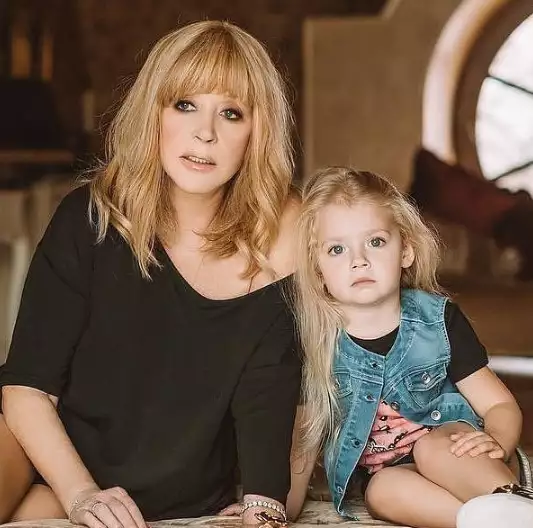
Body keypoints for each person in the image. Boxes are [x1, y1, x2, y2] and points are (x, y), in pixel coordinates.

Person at [0, 20, 302, 527]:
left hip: (169, 492)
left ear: (258, 133)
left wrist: (265, 503)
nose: (205, 132)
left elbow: (275, 395)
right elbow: (27, 388)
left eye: (231, 113)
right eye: (184, 104)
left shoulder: (286, 242)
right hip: (46, 457)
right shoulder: (89, 217)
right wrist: (81, 494)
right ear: (153, 112)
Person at [289, 166, 533, 528]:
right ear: (317, 268)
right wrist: (274, 505)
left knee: (432, 448)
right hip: (401, 477)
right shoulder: (316, 341)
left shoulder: (438, 320)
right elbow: (303, 442)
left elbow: (498, 404)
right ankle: (495, 521)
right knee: (380, 492)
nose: (359, 260)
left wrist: (497, 439)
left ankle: (511, 499)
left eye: (375, 242)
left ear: (405, 250)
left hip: (467, 456)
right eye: (337, 249)